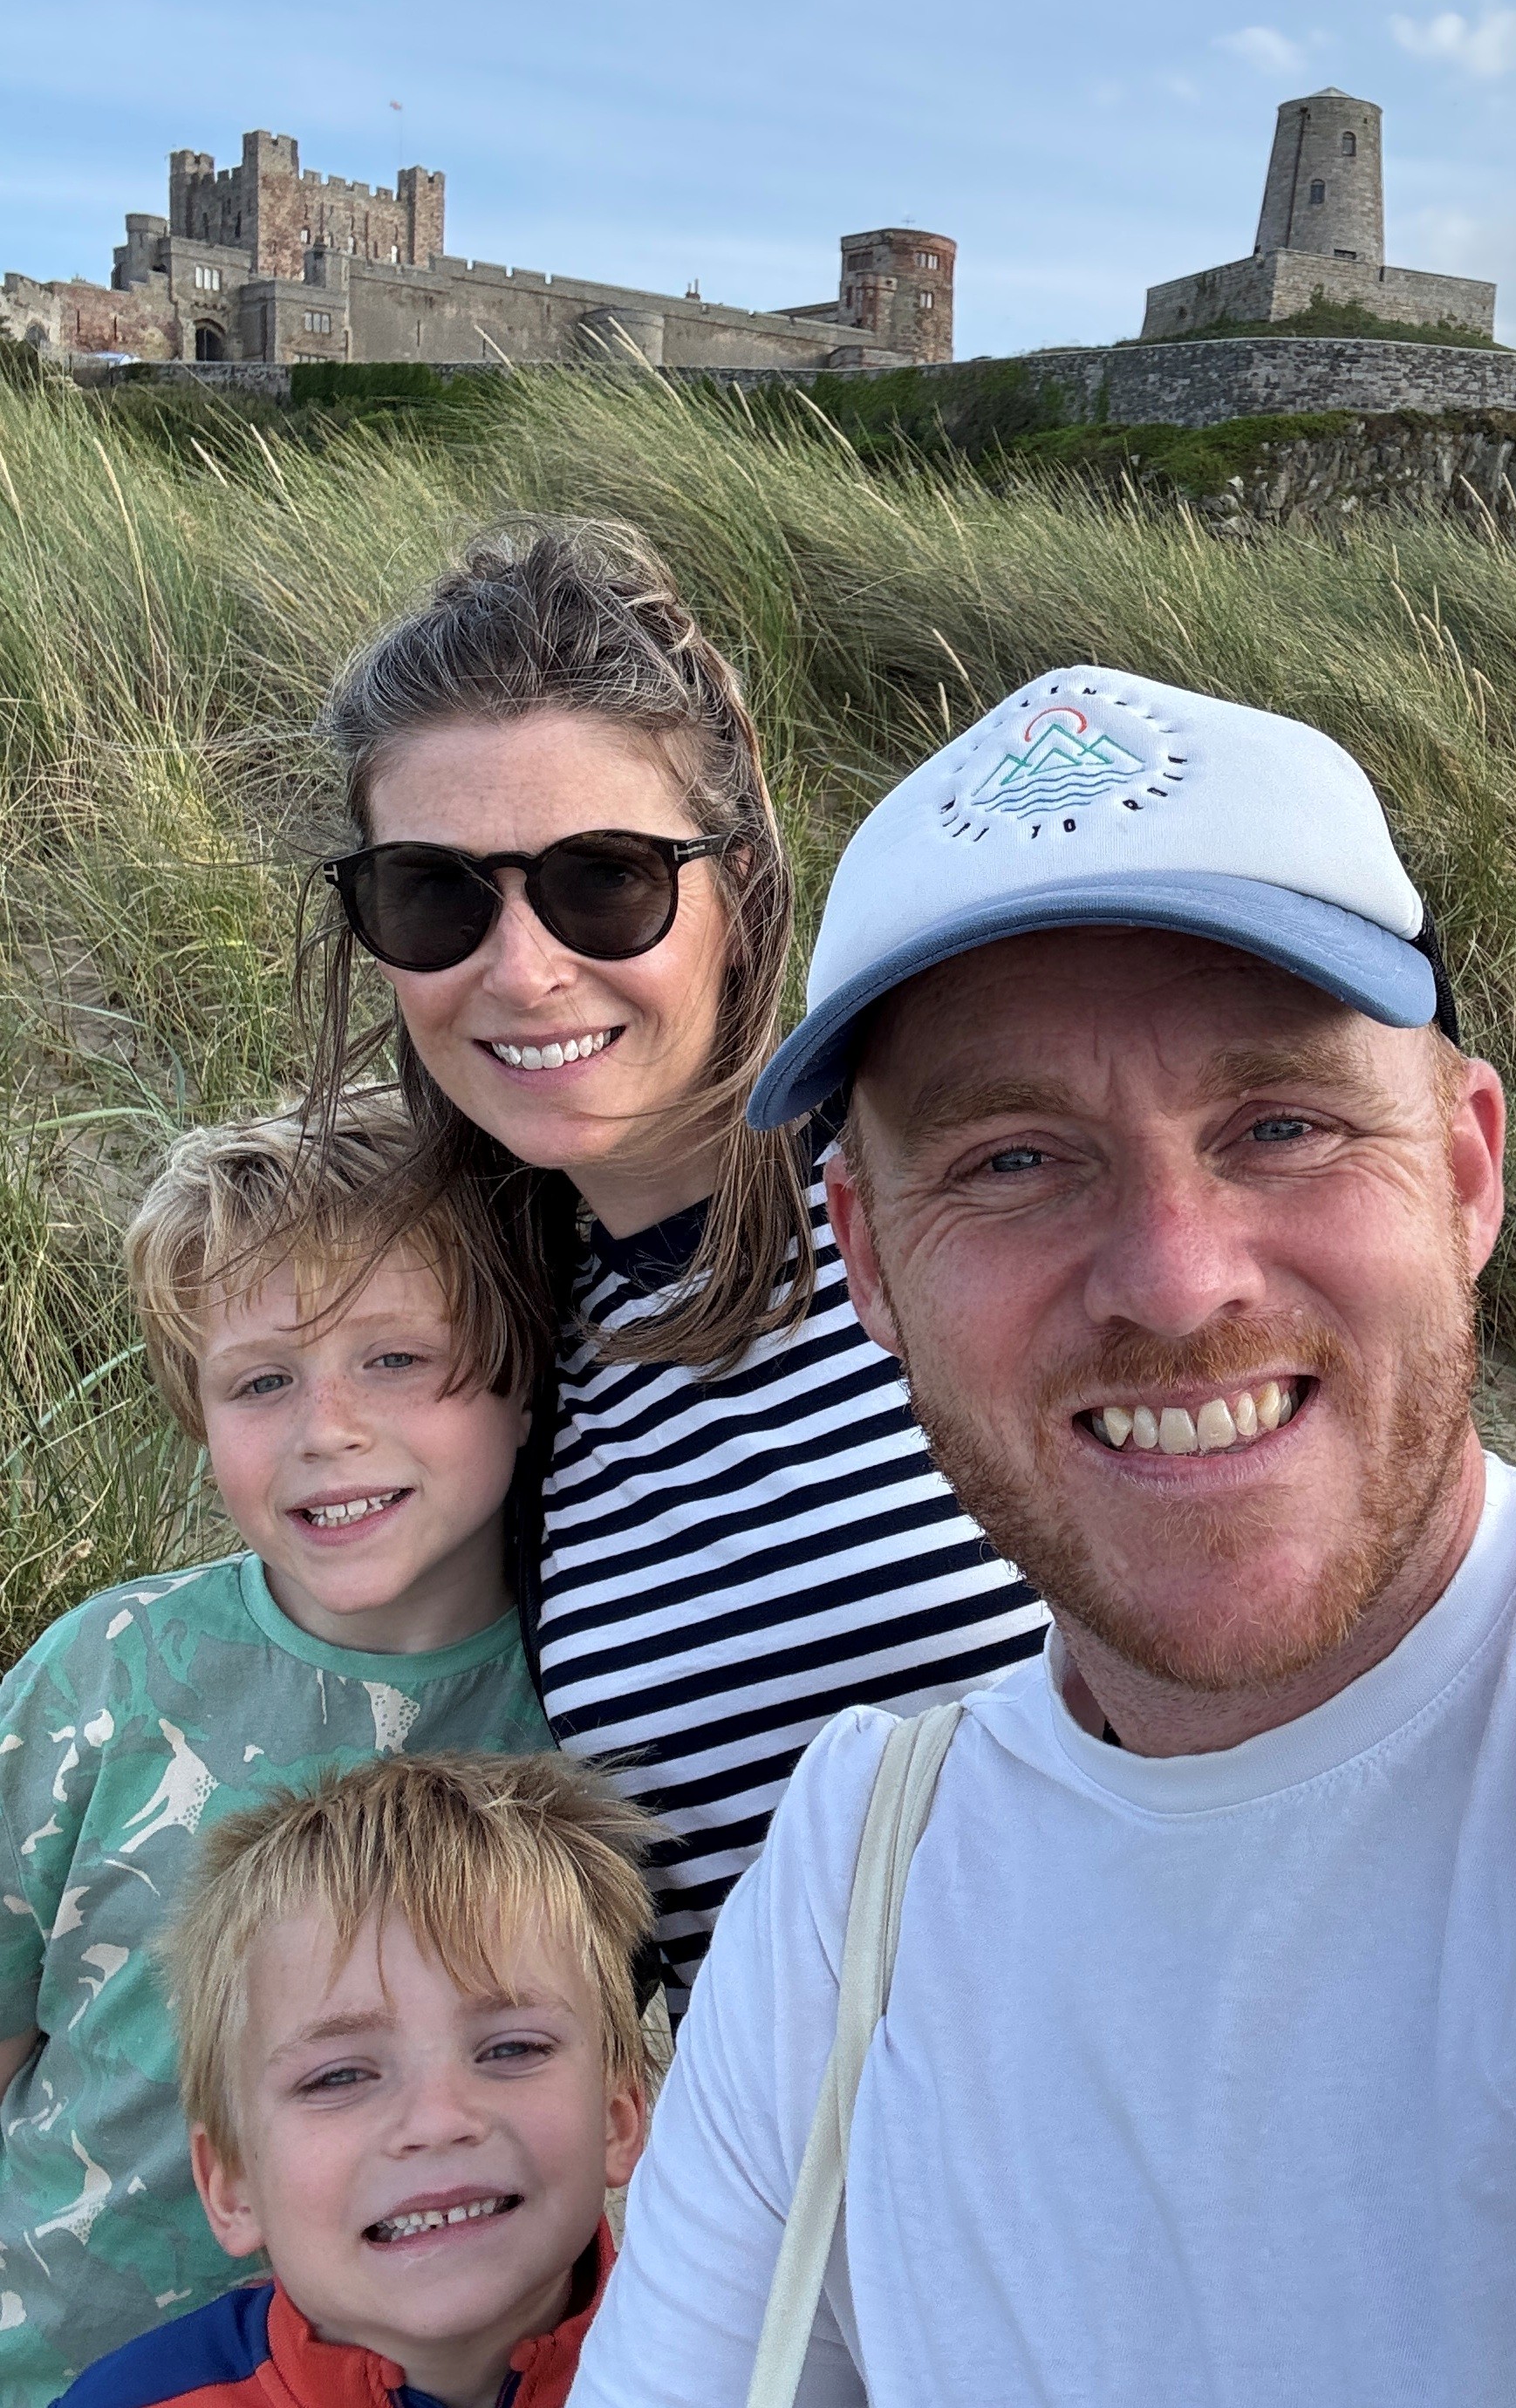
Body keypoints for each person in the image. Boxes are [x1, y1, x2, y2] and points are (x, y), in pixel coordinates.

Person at [577, 665, 1516, 2408]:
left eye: (1282, 1123)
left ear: (1468, 1171)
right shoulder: (852, 1870)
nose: (1179, 1275)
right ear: (875, 1267)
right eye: (1019, 1160)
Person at [304, 520, 1043, 2009]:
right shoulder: (501, 1360)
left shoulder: (966, 1204)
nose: (520, 969)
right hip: (820, 2221)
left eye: (605, 881)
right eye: (436, 896)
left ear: (740, 889)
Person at [0, 1097, 552, 2403]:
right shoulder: (107, 1673)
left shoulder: (587, 1701)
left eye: (396, 1360)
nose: (327, 1430)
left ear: (525, 1378)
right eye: (262, 1381)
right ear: (199, 1423)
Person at [56, 1750, 655, 2408]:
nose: (438, 2120)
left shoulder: (746, 2369)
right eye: (337, 2077)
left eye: (512, 2049)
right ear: (232, 2184)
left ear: (620, 2116)